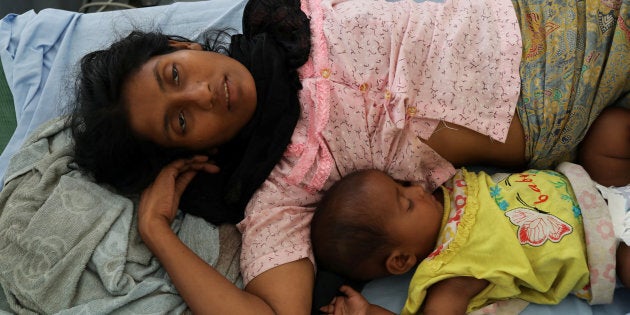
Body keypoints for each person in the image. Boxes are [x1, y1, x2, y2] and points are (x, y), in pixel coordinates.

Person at [67, 0, 630, 313]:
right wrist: (157, 230)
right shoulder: (275, 190)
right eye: (180, 120)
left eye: (175, 75)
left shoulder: (294, 17)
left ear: (182, 47)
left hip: (540, 14)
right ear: (194, 149)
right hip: (558, 107)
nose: (201, 93)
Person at [310, 165, 630, 315]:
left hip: (597, 185)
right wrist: (368, 313)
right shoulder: (452, 271)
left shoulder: (446, 194)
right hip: (604, 248)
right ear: (401, 260)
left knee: (611, 131)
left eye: (403, 184)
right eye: (406, 203)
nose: (418, 190)